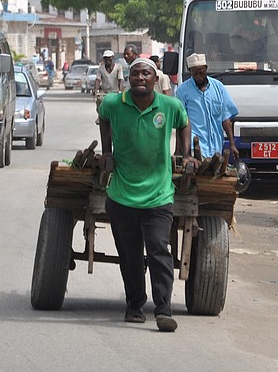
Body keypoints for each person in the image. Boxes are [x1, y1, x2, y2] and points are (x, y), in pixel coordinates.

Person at [98, 57, 192, 332]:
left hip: (158, 197)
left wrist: (185, 155)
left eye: (146, 74)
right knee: (130, 256)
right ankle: (135, 305)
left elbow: (184, 124)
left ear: (155, 79)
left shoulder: (170, 106)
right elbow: (103, 118)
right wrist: (107, 151)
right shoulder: (114, 103)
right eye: (135, 73)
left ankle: (163, 310)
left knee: (158, 250)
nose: (140, 77)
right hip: (122, 196)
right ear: (128, 78)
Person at [174, 53, 238, 160]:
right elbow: (181, 122)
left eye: (201, 73)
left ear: (206, 69)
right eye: (195, 74)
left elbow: (225, 118)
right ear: (190, 72)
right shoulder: (183, 90)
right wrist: (178, 150)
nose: (198, 77)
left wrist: (232, 143)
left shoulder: (218, 87)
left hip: (216, 147)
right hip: (195, 147)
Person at [93, 50, 125, 119]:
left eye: (109, 58)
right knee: (99, 100)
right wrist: (96, 90)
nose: (107, 60)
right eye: (105, 58)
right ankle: (100, 116)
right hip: (105, 92)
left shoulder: (118, 67)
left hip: (115, 91)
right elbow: (98, 80)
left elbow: (120, 80)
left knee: (120, 103)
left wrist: (120, 90)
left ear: (113, 58)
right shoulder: (101, 68)